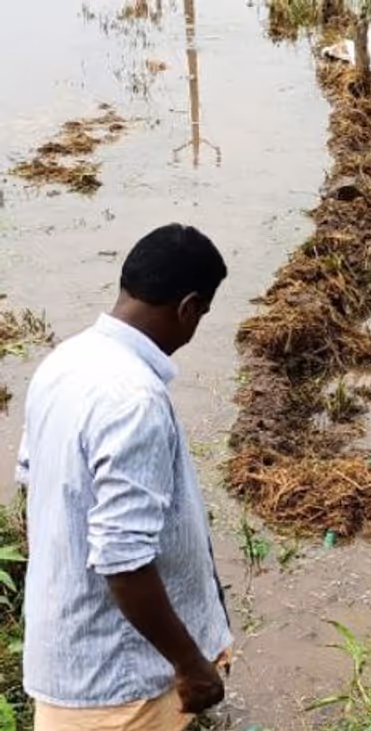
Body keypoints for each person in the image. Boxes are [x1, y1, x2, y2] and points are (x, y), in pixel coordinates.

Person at [17, 224, 233, 730]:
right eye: (200, 315)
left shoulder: (65, 361)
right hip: (119, 686)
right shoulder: (134, 399)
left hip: (72, 654)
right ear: (188, 308)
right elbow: (122, 558)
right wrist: (190, 663)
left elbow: (34, 483)